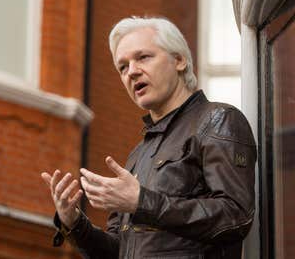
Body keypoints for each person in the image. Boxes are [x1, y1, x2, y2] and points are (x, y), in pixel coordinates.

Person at [41, 16, 256, 259]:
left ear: (179, 60)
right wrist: (74, 223)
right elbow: (117, 253)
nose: (131, 72)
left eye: (143, 57)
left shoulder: (218, 120)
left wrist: (142, 202)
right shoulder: (138, 154)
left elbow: (235, 216)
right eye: (122, 67)